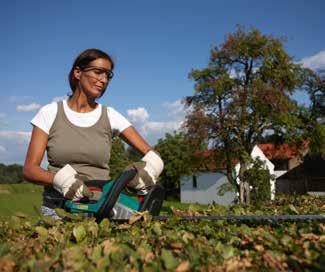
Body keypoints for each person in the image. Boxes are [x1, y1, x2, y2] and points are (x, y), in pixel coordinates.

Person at [23, 48, 164, 219]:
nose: (103, 80)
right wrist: (61, 181)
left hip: (101, 207)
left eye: (108, 75)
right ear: (77, 73)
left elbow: (153, 156)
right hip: (58, 208)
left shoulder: (110, 115)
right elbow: (30, 170)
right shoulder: (50, 113)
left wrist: (148, 170)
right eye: (98, 72)